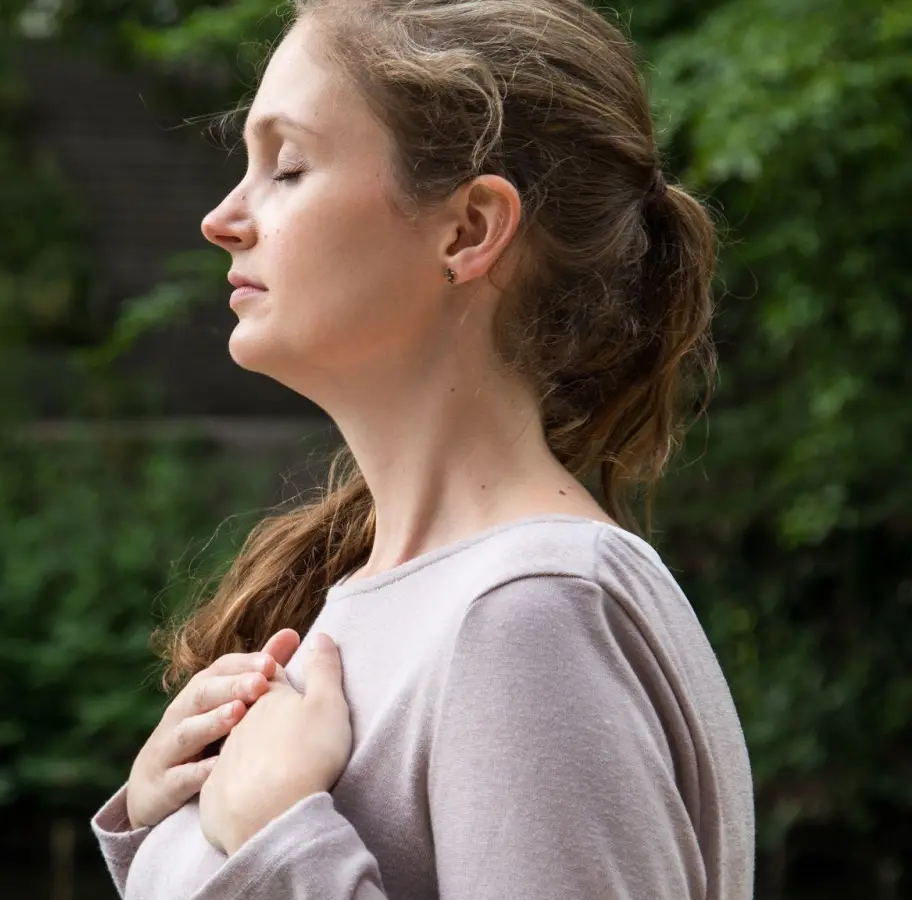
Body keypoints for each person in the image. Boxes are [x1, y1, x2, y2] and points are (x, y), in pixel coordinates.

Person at [88, 0, 757, 898]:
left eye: (287, 167)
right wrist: (160, 831)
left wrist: (278, 840)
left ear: (470, 229)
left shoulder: (531, 611)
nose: (222, 217)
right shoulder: (381, 600)